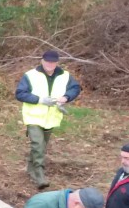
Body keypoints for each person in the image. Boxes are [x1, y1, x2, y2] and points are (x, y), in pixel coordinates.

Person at [15, 50, 82, 189]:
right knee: (38, 144)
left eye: (53, 62)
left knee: (41, 146)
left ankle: (30, 168)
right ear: (42, 61)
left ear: (57, 62)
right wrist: (40, 100)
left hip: (51, 118)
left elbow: (75, 88)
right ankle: (39, 174)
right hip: (33, 116)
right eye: (47, 61)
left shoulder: (65, 76)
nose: (50, 64)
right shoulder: (30, 75)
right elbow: (20, 94)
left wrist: (66, 97)